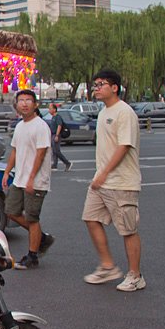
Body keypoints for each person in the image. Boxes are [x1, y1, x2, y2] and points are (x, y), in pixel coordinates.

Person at [82, 69, 144, 291]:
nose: (96, 88)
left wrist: (104, 173)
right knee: (90, 218)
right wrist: (100, 176)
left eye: (101, 84)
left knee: (128, 230)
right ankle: (108, 266)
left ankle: (135, 275)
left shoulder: (124, 112)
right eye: (95, 85)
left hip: (121, 182)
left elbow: (124, 146)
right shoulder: (103, 112)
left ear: (115, 87)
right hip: (101, 181)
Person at [2, 90, 55, 270]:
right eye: (21, 100)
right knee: (11, 211)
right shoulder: (20, 126)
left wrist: (32, 179)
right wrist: (7, 172)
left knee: (32, 218)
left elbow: (41, 154)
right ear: (16, 105)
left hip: (36, 181)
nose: (24, 103)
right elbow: (15, 151)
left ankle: (32, 256)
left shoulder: (40, 126)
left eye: (28, 100)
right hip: (19, 179)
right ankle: (42, 237)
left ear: (35, 104)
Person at [47, 104, 72, 171]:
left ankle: (67, 163)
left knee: (56, 151)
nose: (49, 110)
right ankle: (54, 165)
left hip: (56, 135)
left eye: (50, 109)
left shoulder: (58, 117)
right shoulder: (53, 117)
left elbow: (59, 126)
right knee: (54, 151)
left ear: (54, 109)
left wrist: (57, 135)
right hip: (53, 135)